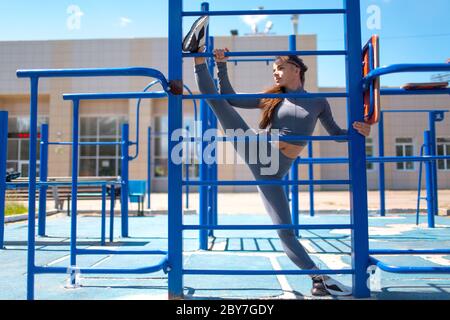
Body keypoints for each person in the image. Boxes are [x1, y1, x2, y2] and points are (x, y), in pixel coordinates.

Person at [183, 16, 371, 297]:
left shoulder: (319, 102)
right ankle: (198, 56)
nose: (275, 73)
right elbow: (232, 98)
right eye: (274, 69)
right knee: (220, 105)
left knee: (285, 230)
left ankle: (318, 279)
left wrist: (361, 130)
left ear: (297, 69)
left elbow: (336, 134)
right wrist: (220, 65)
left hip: (273, 171)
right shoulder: (274, 98)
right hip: (258, 149)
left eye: (280, 68)